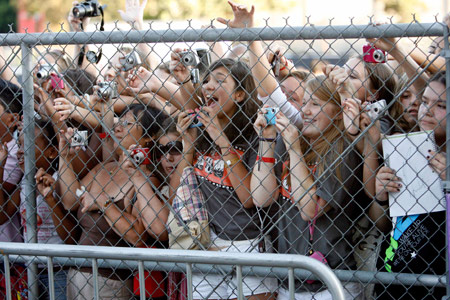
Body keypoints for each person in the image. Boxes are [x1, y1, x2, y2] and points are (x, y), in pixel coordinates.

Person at [251, 74, 366, 299]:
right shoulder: (294, 141)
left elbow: (310, 210)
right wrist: (266, 142)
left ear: (337, 110)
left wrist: (295, 149)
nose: (305, 111)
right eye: (304, 103)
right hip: (290, 280)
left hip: (330, 284)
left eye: (315, 104)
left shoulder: (343, 150)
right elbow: (261, 197)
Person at [171, 57, 276, 300]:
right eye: (206, 81)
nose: (208, 86)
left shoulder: (253, 132)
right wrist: (188, 144)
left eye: (219, 81)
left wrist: (222, 141)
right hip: (210, 241)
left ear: (239, 95)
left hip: (248, 243)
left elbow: (249, 198)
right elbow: (176, 194)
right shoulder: (203, 130)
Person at [58, 104, 169, 300]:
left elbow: (137, 236)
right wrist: (65, 157)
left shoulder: (146, 179)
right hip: (76, 275)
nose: (117, 128)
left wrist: (104, 203)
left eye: (127, 123)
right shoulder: (105, 167)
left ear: (148, 137)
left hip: (109, 284)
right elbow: (70, 201)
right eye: (119, 122)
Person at [373, 72, 447, 300]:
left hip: (437, 285)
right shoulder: (402, 147)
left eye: (441, 105)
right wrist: (381, 195)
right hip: (391, 280)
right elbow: (383, 224)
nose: (427, 110)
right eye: (424, 101)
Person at [17, 119, 73, 300]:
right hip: (31, 269)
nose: (20, 151)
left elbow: (71, 235)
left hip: (58, 270)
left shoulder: (59, 181)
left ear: (51, 152)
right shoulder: (23, 182)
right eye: (19, 144)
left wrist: (50, 199)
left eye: (28, 145)